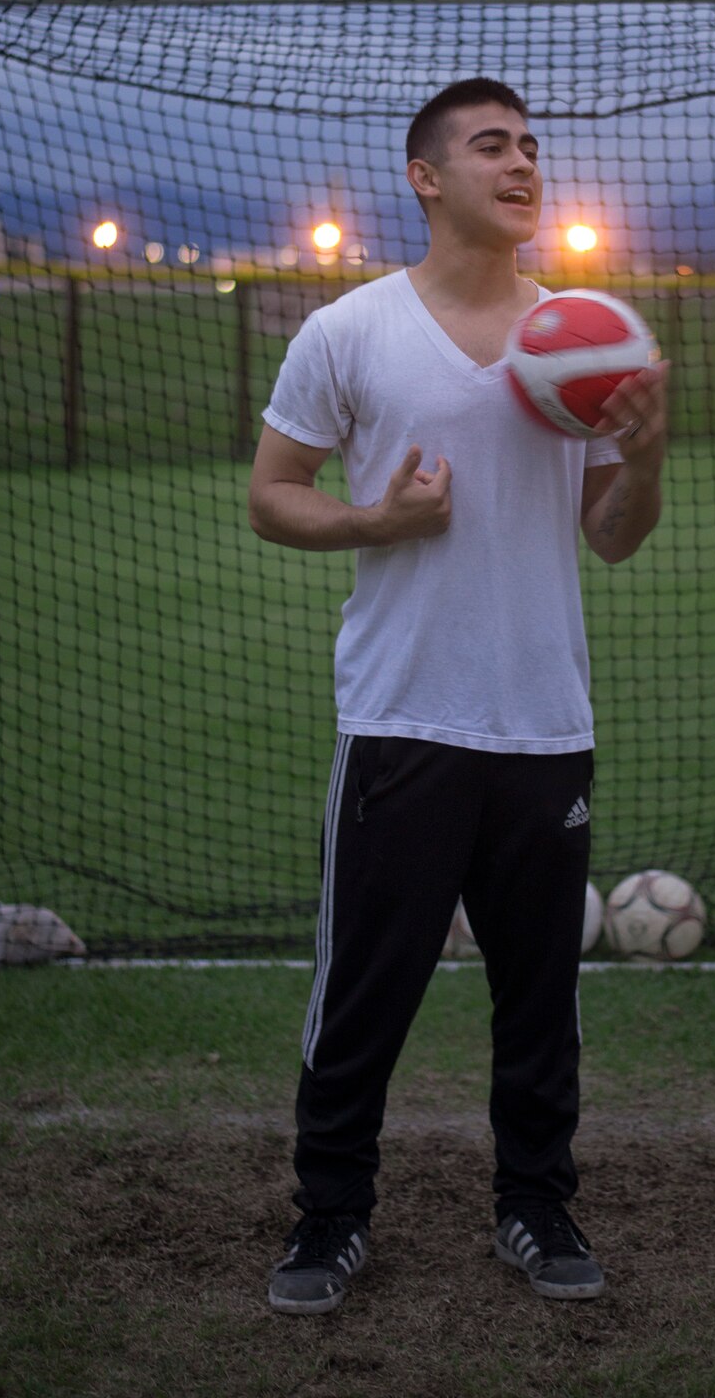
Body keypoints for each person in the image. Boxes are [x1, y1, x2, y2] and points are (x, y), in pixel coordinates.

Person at [248, 76, 669, 1314]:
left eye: (533, 145)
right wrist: (376, 518)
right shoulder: (351, 331)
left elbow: (616, 537)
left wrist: (645, 455)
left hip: (545, 721)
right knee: (365, 992)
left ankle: (535, 1204)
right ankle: (330, 1217)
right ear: (427, 176)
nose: (523, 162)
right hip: (400, 720)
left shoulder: (583, 335)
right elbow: (272, 491)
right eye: (493, 146)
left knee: (541, 1000)